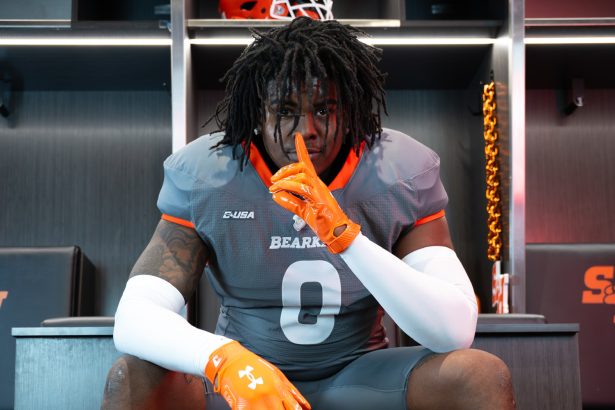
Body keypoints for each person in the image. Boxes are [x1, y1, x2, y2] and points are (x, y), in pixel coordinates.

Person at [102, 17, 515, 410]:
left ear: (349, 111)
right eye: (285, 110)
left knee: (478, 375)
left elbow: (453, 330)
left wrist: (345, 237)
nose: (306, 131)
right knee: (130, 377)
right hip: (246, 375)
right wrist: (224, 360)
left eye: (323, 109)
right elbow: (135, 316)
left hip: (358, 375)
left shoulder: (396, 171)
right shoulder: (210, 177)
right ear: (257, 114)